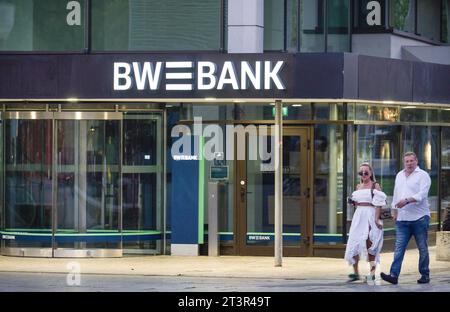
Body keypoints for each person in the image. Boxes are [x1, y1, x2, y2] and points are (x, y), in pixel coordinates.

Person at [380, 152, 432, 285]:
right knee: (399, 248)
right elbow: (396, 194)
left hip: (420, 218)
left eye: (411, 161)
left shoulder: (423, 175)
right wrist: (394, 211)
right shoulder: (399, 175)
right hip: (402, 219)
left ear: (416, 161)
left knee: (422, 248)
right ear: (404, 162)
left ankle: (425, 275)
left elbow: (422, 194)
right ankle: (393, 275)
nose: (409, 163)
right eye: (407, 161)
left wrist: (407, 200)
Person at [344, 163, 387, 284]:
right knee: (354, 242)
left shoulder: (375, 185)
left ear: (371, 173)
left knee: (370, 244)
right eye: (361, 172)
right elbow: (358, 203)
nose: (363, 174)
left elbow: (379, 202)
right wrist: (352, 202)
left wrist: (376, 219)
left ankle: (372, 273)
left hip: (370, 215)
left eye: (366, 172)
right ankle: (356, 273)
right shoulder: (358, 186)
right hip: (358, 216)